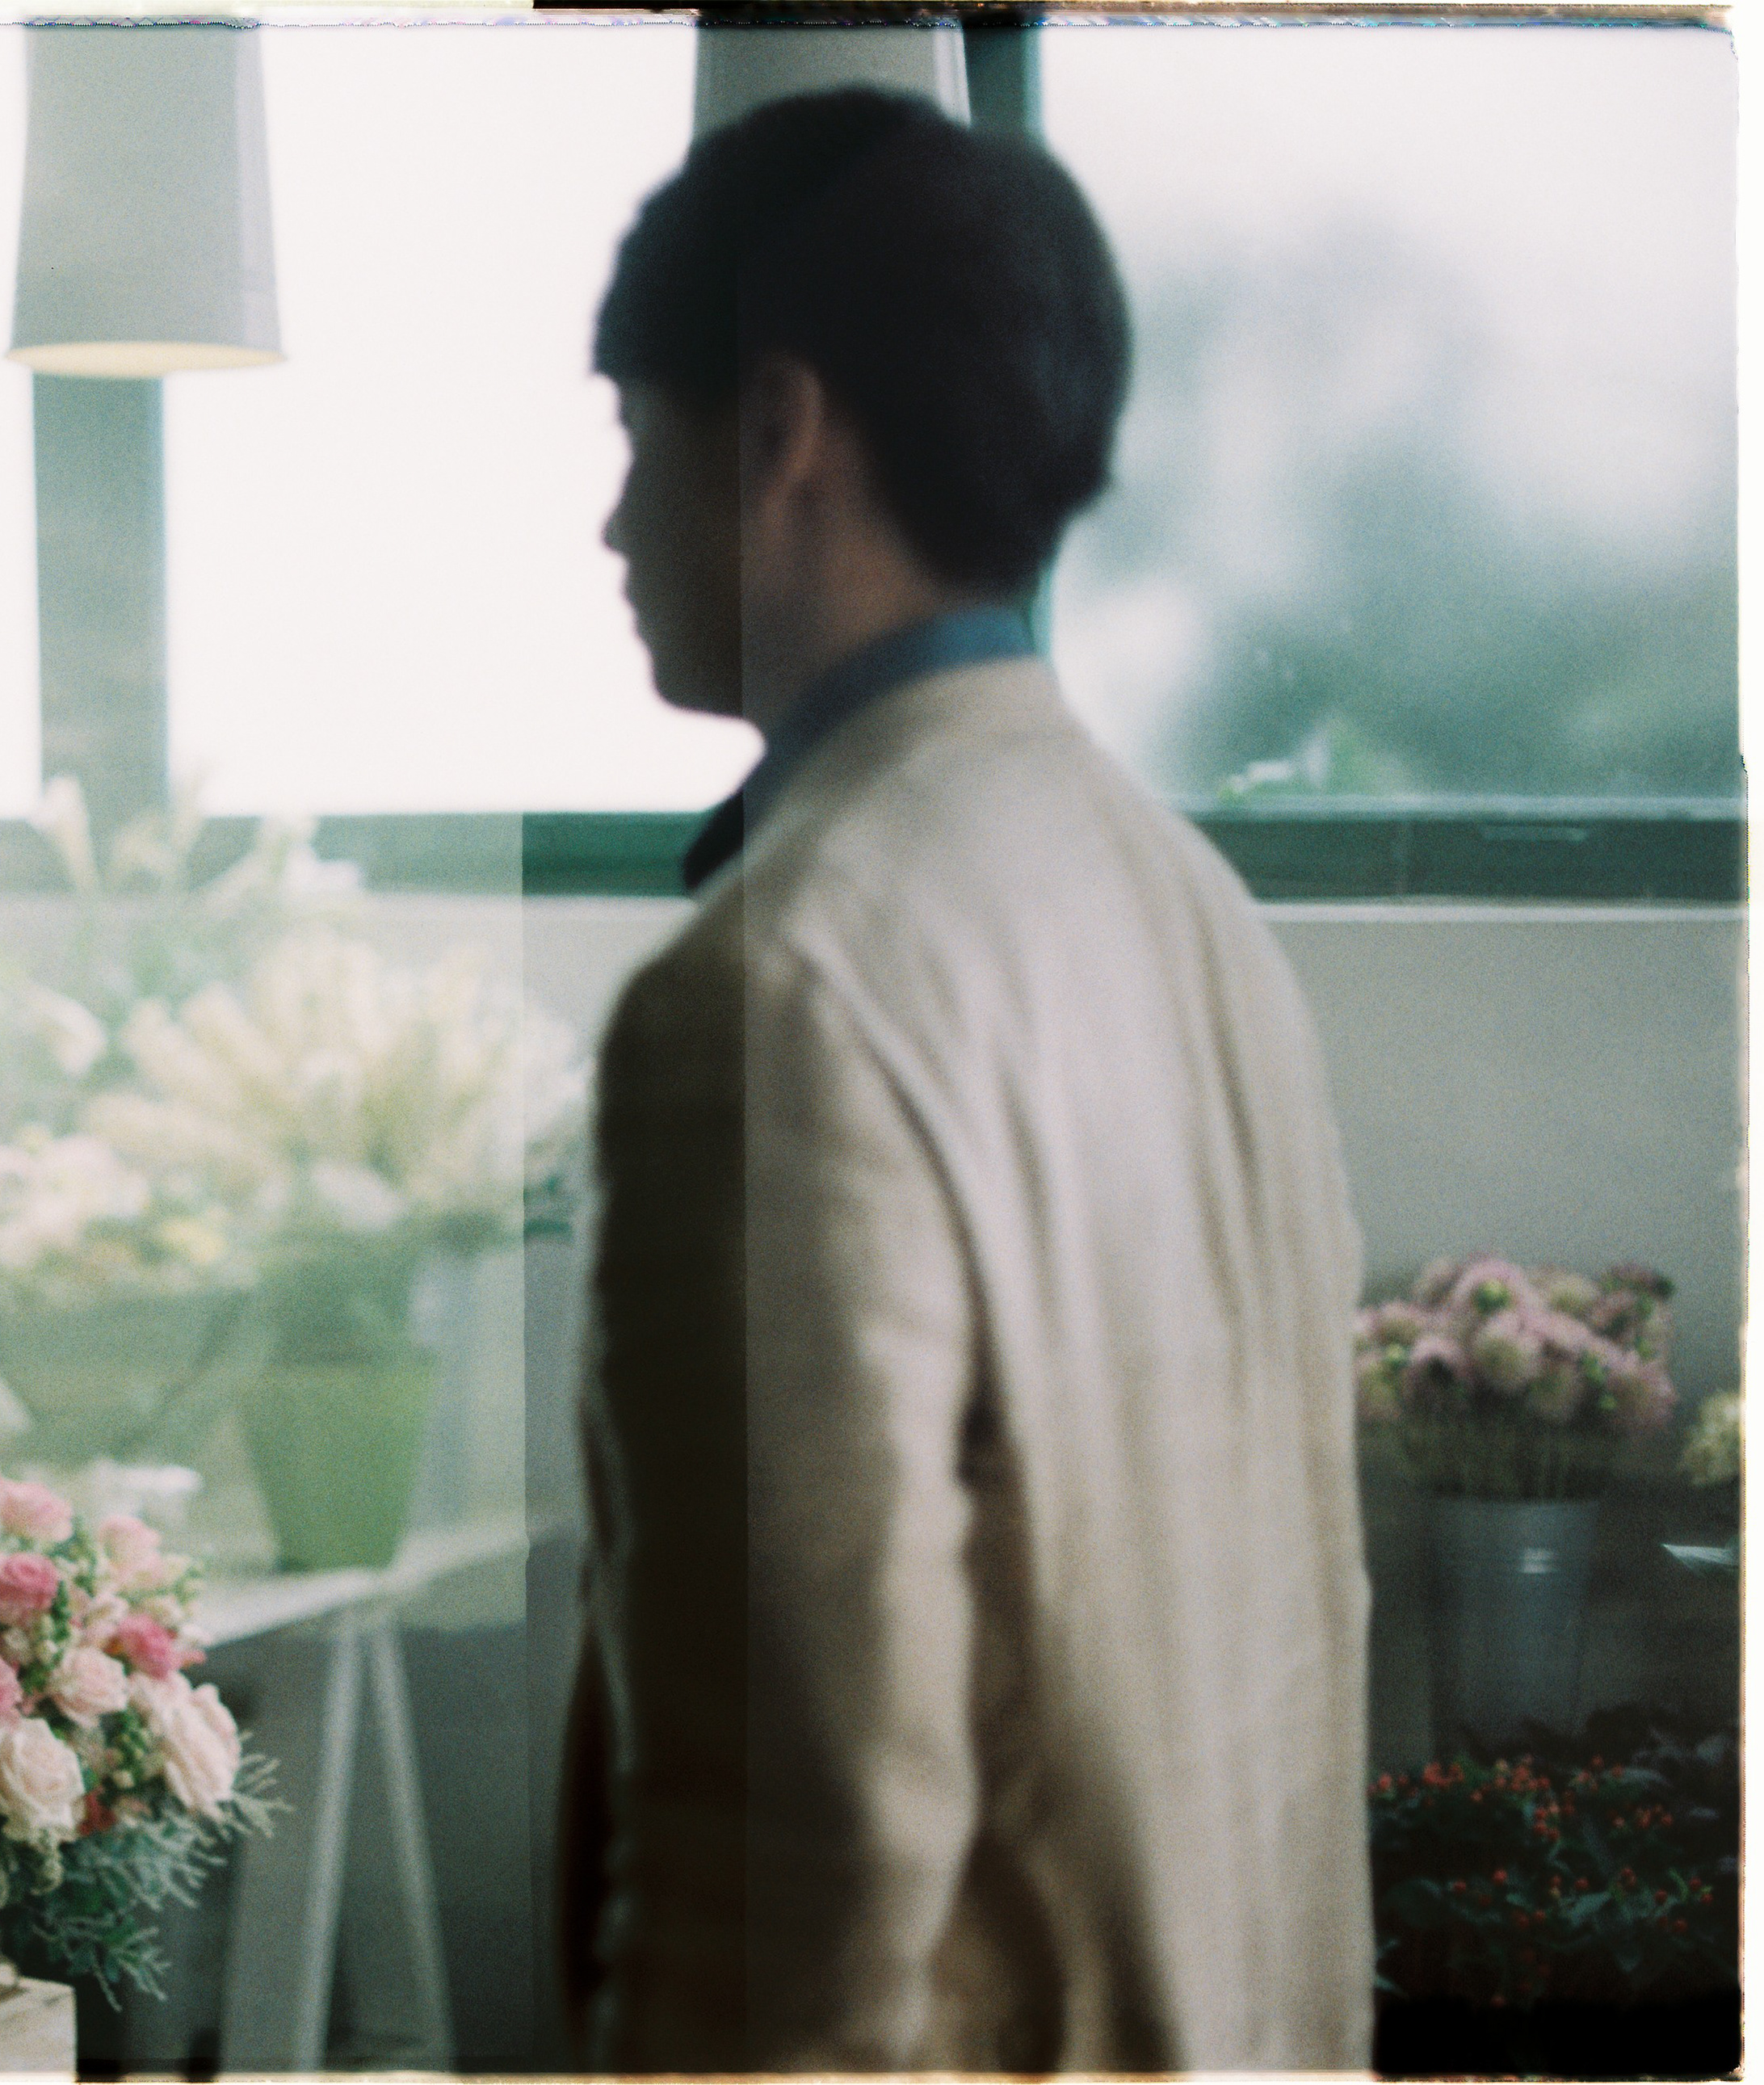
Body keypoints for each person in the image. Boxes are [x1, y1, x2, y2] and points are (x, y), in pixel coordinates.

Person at [562, 88, 1372, 2070]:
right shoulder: (1195, 911)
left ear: (777, 430)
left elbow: (787, 1862)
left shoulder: (775, 993)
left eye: (633, 441)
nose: (609, 527)